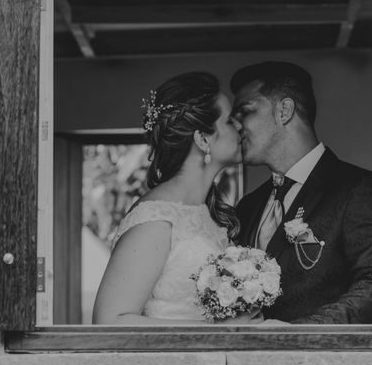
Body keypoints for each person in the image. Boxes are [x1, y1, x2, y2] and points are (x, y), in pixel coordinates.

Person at [230, 61, 372, 324]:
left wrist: (300, 334)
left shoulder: (360, 190)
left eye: (245, 112)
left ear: (284, 111)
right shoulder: (248, 206)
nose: (236, 125)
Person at [93, 72, 261, 325]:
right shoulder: (155, 220)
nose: (239, 126)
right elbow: (110, 321)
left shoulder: (205, 211)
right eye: (228, 121)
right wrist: (219, 334)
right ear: (203, 138)